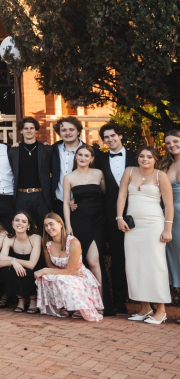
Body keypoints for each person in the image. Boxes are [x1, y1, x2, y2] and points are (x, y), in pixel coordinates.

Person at [117, 146, 173, 324]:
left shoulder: (160, 176)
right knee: (135, 265)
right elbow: (122, 195)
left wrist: (167, 229)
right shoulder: (129, 171)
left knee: (155, 266)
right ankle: (145, 307)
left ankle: (161, 310)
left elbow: (169, 205)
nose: (145, 159)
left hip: (153, 225)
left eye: (149, 156)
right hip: (133, 226)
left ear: (155, 159)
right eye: (142, 156)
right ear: (137, 158)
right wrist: (119, 217)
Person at [98, 121, 137, 315]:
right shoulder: (101, 160)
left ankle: (145, 301)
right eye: (106, 137)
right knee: (117, 258)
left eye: (113, 135)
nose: (110, 139)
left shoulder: (135, 156)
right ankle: (119, 302)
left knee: (139, 257)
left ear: (120, 136)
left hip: (138, 212)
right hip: (112, 215)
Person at [35, 213, 103, 322]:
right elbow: (50, 265)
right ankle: (63, 307)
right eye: (46, 225)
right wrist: (60, 272)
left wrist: (43, 270)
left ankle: (78, 308)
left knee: (57, 277)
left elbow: (71, 270)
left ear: (60, 224)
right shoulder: (47, 243)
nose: (48, 228)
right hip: (65, 273)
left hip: (79, 275)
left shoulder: (73, 242)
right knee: (46, 278)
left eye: (51, 224)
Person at [63, 144, 106, 286]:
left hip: (98, 221)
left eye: (86, 155)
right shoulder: (69, 177)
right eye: (80, 155)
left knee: (94, 261)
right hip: (79, 221)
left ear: (92, 158)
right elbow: (65, 202)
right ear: (76, 156)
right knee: (81, 263)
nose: (83, 158)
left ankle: (101, 302)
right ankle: (85, 298)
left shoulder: (99, 173)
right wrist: (68, 225)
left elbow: (105, 195)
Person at [8, 117, 53, 231]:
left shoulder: (46, 149)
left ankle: (44, 249)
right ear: (21, 131)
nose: (29, 131)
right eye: (26, 128)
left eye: (32, 128)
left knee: (45, 229)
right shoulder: (13, 151)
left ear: (36, 130)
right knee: (23, 229)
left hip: (41, 195)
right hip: (21, 195)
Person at [0, 212, 41, 314]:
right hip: (19, 269)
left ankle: (33, 299)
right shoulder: (9, 238)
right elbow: (0, 263)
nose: (19, 223)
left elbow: (31, 264)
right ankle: (21, 299)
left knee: (28, 271)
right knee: (6, 271)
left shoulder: (36, 238)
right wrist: (13, 262)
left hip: (34, 270)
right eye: (17, 220)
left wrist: (10, 259)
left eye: (24, 221)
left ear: (28, 225)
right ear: (12, 223)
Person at [51, 116, 88, 217]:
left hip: (83, 203)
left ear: (78, 132)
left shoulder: (90, 152)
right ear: (59, 133)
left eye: (71, 129)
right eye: (64, 130)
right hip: (59, 203)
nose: (68, 133)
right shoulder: (52, 150)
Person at [161, 130, 180, 315]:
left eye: (175, 141)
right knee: (176, 261)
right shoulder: (165, 165)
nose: (172, 145)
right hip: (171, 220)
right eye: (168, 143)